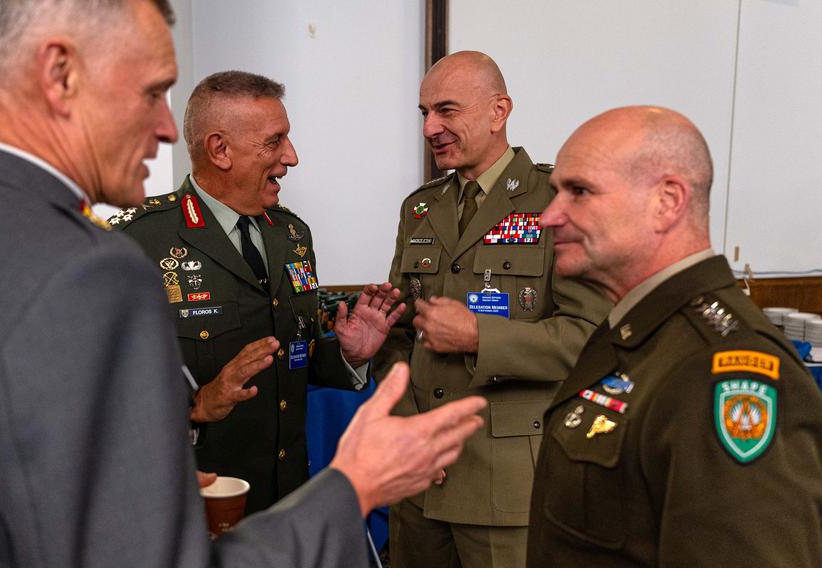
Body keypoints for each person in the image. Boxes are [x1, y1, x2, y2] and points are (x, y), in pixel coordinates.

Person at [0, 1, 486, 566]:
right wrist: (356, 484)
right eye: (150, 92)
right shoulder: (92, 265)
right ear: (60, 74)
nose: (165, 129)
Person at [527, 106, 822, 566]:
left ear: (667, 202)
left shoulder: (724, 367)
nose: (549, 216)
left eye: (578, 192)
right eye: (555, 192)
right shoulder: (637, 328)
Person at [112, 70, 405, 514]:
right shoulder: (139, 244)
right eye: (274, 141)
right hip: (196, 505)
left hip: (286, 498)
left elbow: (291, 358)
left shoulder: (292, 235)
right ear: (220, 150)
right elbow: (100, 401)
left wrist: (351, 356)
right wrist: (196, 404)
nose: (292, 157)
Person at [373, 51, 610, 568]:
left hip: (504, 489)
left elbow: (591, 337)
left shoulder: (556, 200)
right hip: (418, 482)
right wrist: (409, 429)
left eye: (447, 110)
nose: (431, 127)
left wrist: (482, 338)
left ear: (499, 111)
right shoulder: (420, 207)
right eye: (424, 113)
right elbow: (398, 334)